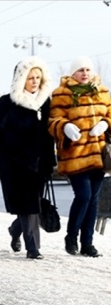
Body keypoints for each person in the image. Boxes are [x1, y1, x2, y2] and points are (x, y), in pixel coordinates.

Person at [0, 56, 56, 260]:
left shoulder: (45, 102)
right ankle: (33, 249)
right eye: (30, 77)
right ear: (21, 79)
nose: (35, 81)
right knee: (28, 204)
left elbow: (49, 135)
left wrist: (51, 160)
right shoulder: (7, 102)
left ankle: (15, 230)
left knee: (33, 204)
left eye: (38, 77)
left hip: (39, 163)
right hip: (14, 163)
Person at [48, 56, 111, 257]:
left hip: (99, 155)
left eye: (87, 69)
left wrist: (105, 124)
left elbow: (109, 114)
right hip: (75, 154)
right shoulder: (62, 94)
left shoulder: (102, 91)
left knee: (93, 200)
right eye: (80, 70)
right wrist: (64, 126)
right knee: (83, 196)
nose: (85, 73)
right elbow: (53, 120)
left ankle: (87, 244)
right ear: (73, 73)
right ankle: (71, 236)